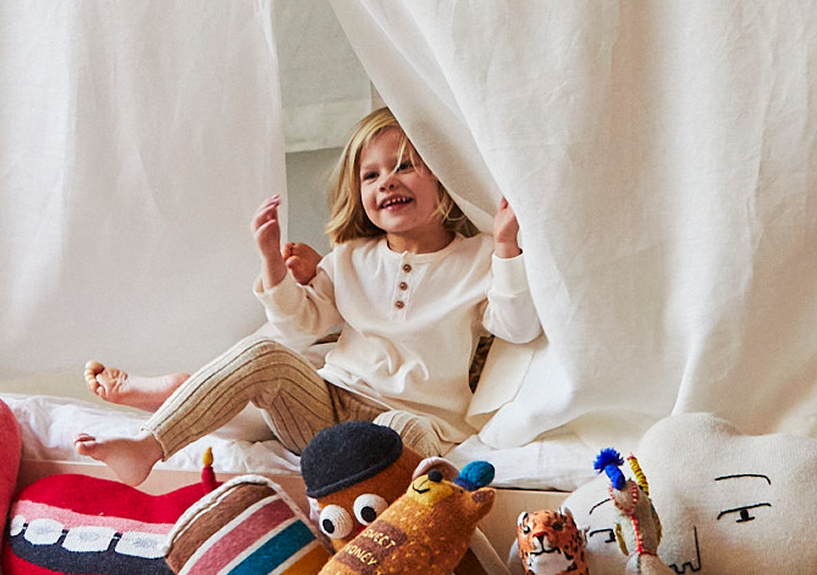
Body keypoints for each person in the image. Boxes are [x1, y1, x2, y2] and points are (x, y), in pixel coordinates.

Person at [76, 107, 542, 485]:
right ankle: (147, 445)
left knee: (403, 435)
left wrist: (506, 248)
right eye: (371, 175)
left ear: (443, 177)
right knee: (265, 352)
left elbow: (517, 327)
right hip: (327, 406)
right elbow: (299, 325)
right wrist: (272, 265)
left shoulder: (479, 256)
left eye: (405, 166)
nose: (387, 182)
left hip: (411, 418)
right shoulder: (349, 258)